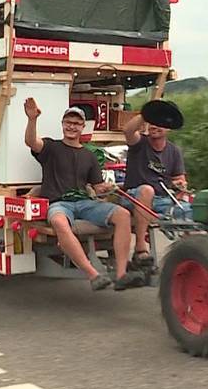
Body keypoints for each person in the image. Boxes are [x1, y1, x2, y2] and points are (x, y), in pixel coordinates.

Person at [25, 98, 144, 291]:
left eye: (77, 123)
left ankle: (122, 274)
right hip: (59, 203)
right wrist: (32, 119)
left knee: (123, 215)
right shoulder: (51, 147)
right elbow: (31, 141)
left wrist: (105, 188)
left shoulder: (89, 155)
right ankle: (93, 274)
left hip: (85, 202)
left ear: (83, 127)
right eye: (68, 123)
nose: (72, 127)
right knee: (59, 222)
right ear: (63, 125)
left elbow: (97, 188)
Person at [120, 111, 192, 269]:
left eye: (160, 123)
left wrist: (180, 185)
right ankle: (140, 250)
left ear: (169, 129)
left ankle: (189, 257)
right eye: (152, 121)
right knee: (147, 190)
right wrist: (147, 112)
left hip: (161, 200)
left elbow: (180, 179)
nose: (154, 125)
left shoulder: (174, 151)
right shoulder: (139, 143)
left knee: (191, 211)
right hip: (133, 196)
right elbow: (128, 130)